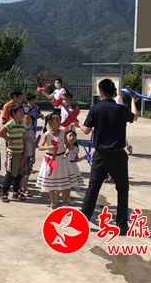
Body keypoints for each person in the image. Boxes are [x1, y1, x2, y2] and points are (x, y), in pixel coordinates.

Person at [78, 79, 138, 236]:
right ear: (114, 93)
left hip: (100, 155)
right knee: (122, 189)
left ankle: (83, 220)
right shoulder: (121, 109)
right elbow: (134, 117)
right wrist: (133, 101)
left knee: (93, 188)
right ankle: (122, 225)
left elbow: (86, 130)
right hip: (118, 155)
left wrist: (78, 124)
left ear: (101, 93)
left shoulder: (96, 109)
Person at [36, 113, 77, 209]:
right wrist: (49, 147)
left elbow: (67, 146)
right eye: (57, 120)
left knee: (65, 182)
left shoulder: (63, 133)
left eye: (59, 120)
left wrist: (67, 152)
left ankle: (65, 202)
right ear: (50, 122)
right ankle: (53, 202)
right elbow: (40, 147)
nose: (59, 122)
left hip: (62, 160)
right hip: (50, 160)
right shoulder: (47, 134)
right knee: (51, 182)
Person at [0, 105, 27, 202]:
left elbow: (24, 138)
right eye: (19, 112)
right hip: (12, 152)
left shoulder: (21, 124)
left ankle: (16, 192)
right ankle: (4, 193)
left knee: (19, 173)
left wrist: (25, 150)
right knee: (10, 173)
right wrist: (8, 139)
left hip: (20, 151)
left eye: (22, 112)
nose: (22, 113)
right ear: (14, 114)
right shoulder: (10, 124)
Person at [20, 112, 36, 197]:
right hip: (22, 154)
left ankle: (25, 187)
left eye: (30, 119)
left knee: (28, 172)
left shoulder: (31, 131)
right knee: (22, 172)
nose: (29, 120)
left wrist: (34, 156)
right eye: (27, 118)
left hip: (29, 154)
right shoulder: (21, 131)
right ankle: (20, 188)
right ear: (22, 119)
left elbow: (33, 144)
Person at [114, 90, 133, 155]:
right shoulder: (112, 99)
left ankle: (128, 147)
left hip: (119, 120)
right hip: (114, 120)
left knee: (120, 135)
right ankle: (128, 146)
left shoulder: (118, 98)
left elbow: (117, 108)